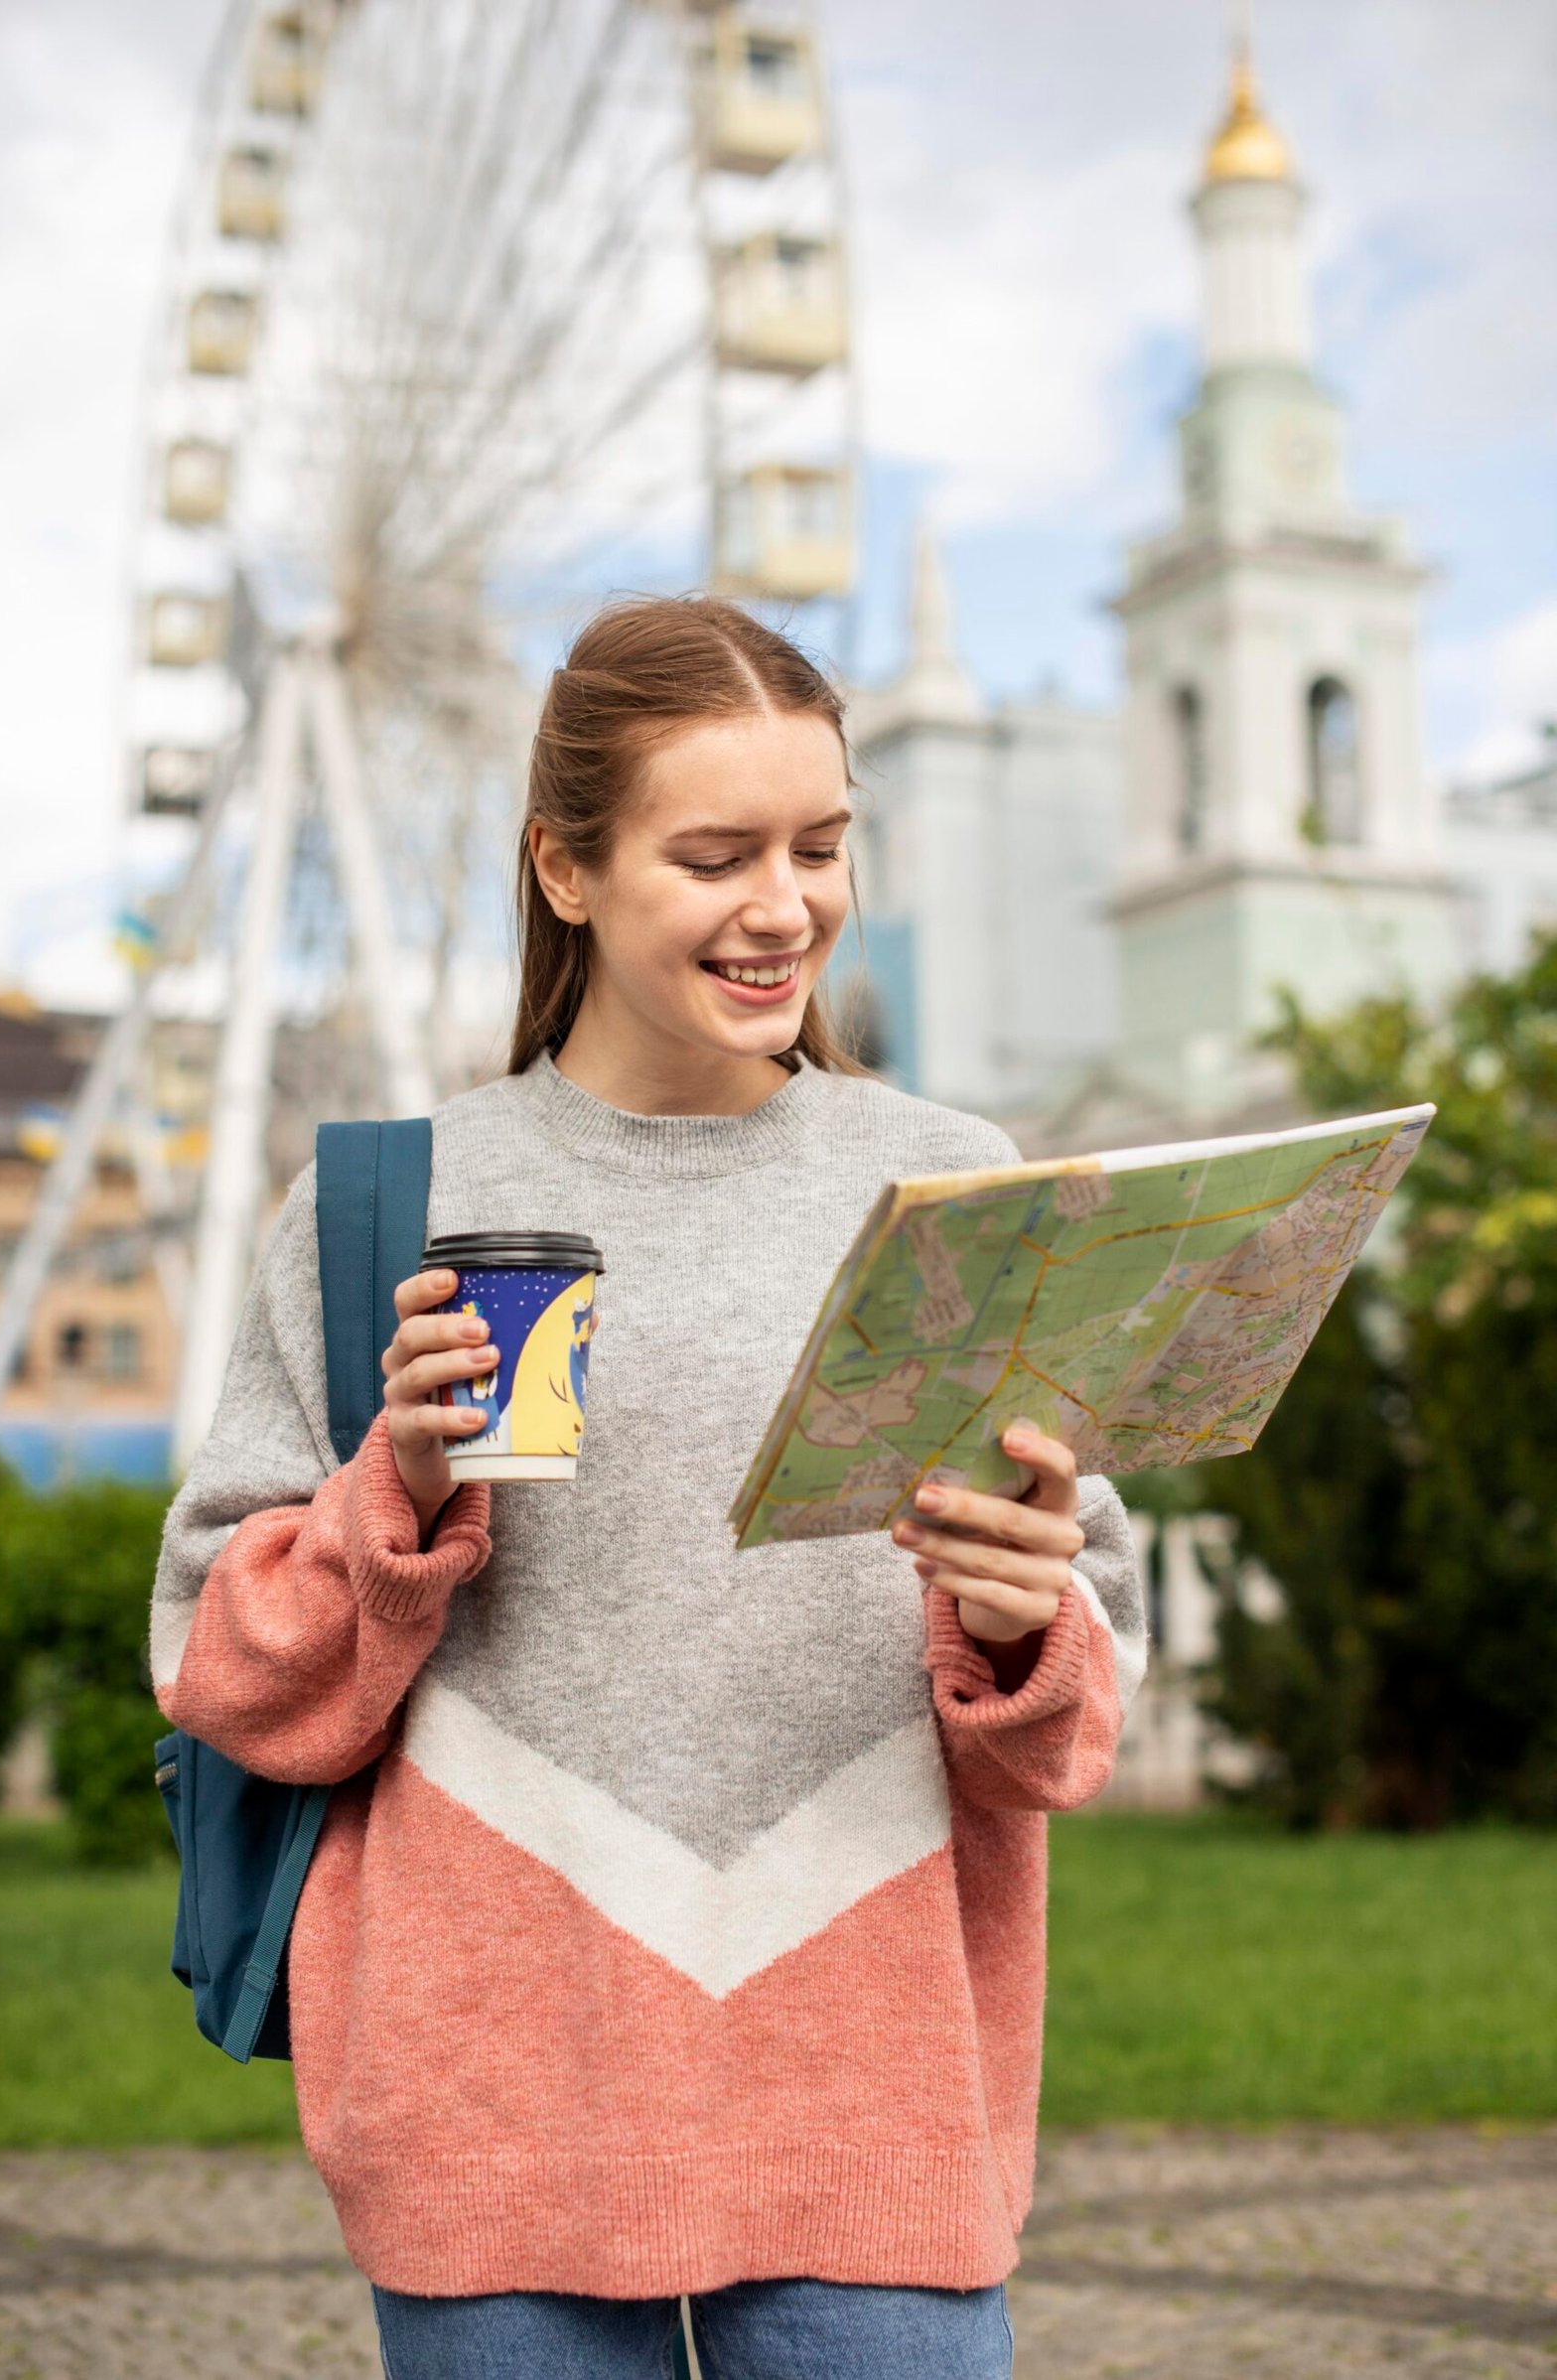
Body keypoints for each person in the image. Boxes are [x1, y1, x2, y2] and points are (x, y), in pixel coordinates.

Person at [150, 593, 1147, 2380]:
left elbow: (1080, 1705)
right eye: (717, 853)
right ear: (567, 866)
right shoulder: (395, 1197)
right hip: (488, 2110)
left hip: (878, 2091)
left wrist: (1023, 1620)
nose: (786, 905)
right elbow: (225, 1670)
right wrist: (402, 1490)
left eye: (821, 844)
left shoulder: (957, 1186)